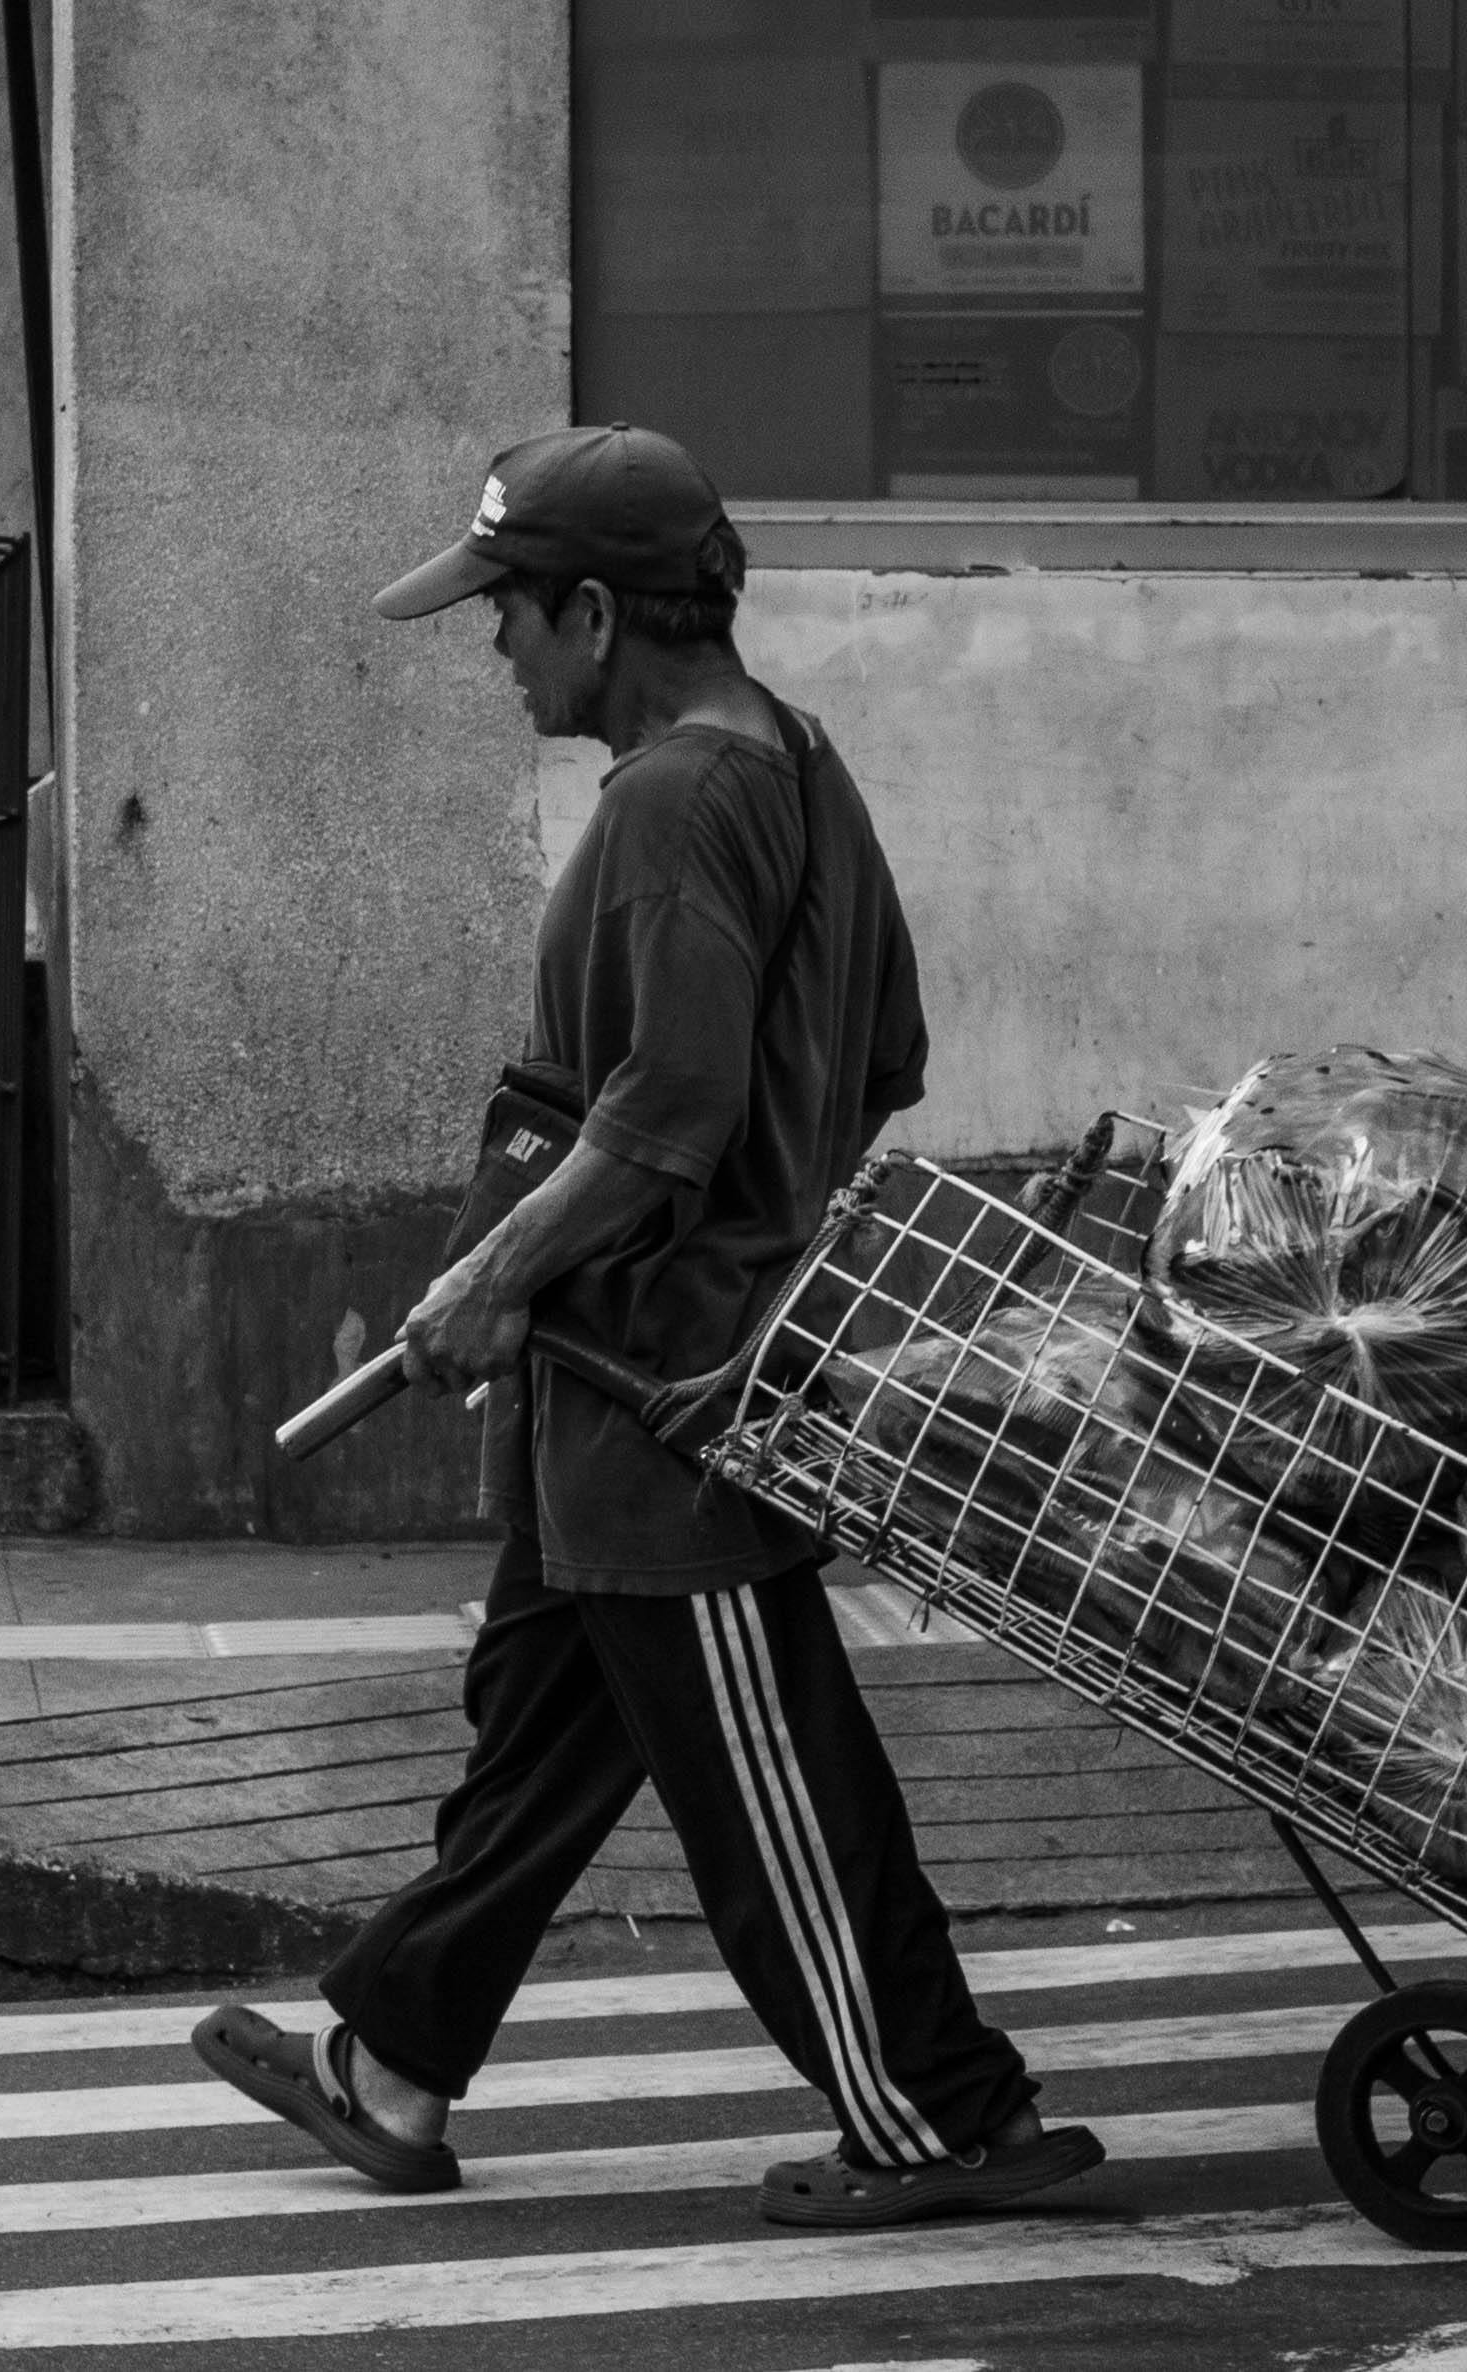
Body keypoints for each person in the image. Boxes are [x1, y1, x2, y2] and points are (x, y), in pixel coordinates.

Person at [189, 425, 1103, 2230]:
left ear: (595, 611)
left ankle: (934, 2113)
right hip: (623, 1369)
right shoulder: (798, 761)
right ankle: (389, 2060)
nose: (493, 650)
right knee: (538, 1726)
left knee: (769, 1775)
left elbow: (665, 1106)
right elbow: (880, 1053)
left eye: (507, 613)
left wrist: (497, 1275)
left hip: (661, 1382)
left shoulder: (672, 799)